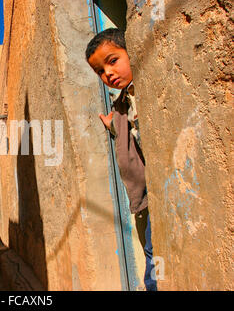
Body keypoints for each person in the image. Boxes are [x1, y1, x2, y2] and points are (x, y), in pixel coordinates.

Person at [85, 28, 157, 291]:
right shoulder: (122, 104)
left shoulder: (150, 84)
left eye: (112, 61)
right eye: (100, 71)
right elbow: (131, 133)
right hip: (148, 199)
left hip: (165, 191)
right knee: (153, 254)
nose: (108, 74)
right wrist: (114, 126)